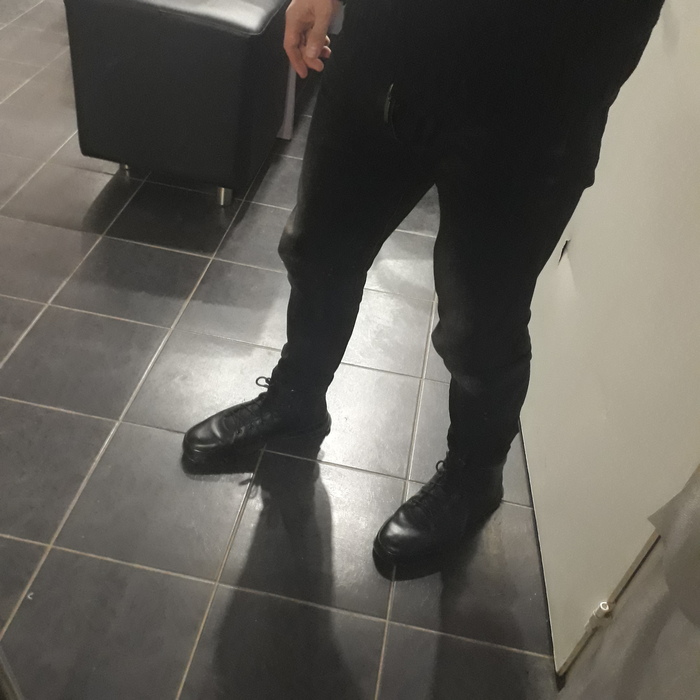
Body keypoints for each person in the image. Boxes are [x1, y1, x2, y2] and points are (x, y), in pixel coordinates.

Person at [183, 0, 666, 566]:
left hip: (534, 103)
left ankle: (475, 477)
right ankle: (297, 396)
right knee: (317, 251)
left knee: (478, 327)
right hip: (385, 51)